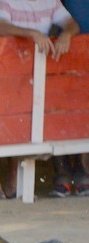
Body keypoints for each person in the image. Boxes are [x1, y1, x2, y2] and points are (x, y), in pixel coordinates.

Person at [0, 0, 80, 199]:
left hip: (29, 72)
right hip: (2, 67)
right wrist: (32, 33)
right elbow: (1, 26)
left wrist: (66, 34)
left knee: (21, 124)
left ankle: (12, 184)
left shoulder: (50, 1)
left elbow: (72, 24)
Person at [49, 0, 89, 197]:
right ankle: (63, 173)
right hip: (61, 50)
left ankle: (83, 172)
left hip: (85, 51)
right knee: (58, 110)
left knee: (84, 111)